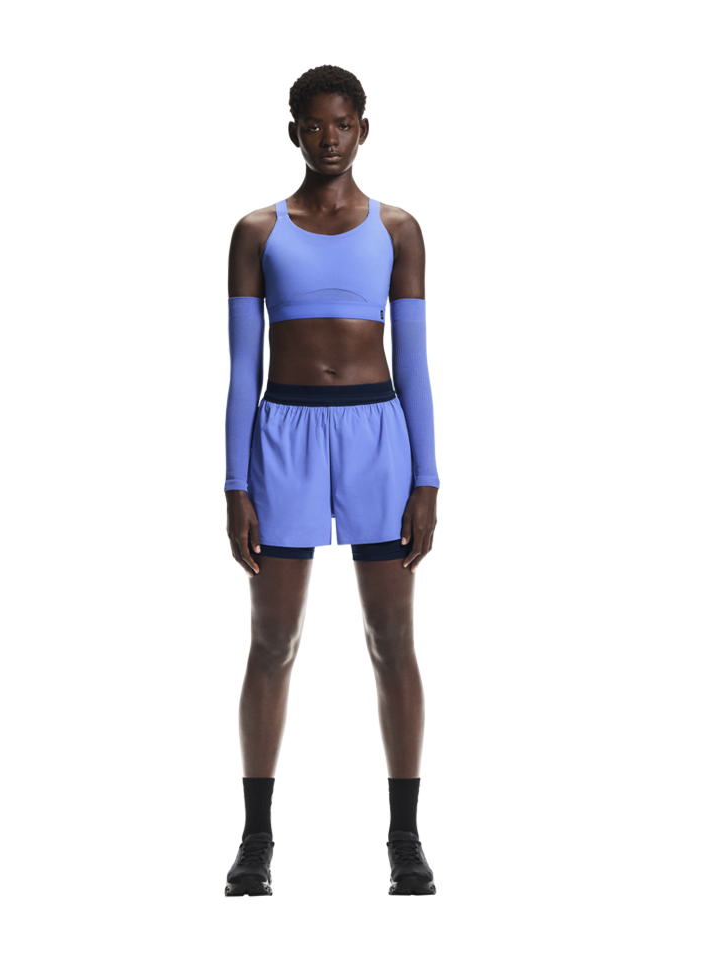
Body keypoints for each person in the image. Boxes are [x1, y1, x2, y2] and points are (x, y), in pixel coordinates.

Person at [223, 65, 438, 898]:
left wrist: (427, 480)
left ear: (363, 129)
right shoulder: (257, 230)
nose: (328, 138)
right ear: (293, 132)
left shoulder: (397, 229)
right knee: (272, 642)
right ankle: (255, 840)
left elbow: (413, 363)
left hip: (377, 436)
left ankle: (405, 839)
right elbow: (244, 369)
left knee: (392, 642)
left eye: (342, 123)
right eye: (313, 125)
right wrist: (235, 484)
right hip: (285, 435)